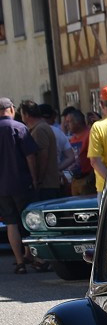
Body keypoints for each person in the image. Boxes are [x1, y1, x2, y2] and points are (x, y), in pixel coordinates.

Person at [0, 96, 39, 274]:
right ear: (12, 109)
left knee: (11, 223)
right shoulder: (19, 127)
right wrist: (34, 177)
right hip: (21, 183)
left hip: (2, 187)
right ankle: (33, 256)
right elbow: (30, 156)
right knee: (29, 221)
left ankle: (19, 262)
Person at [19, 101, 62, 203]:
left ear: (27, 115)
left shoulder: (39, 130)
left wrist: (38, 180)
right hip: (49, 183)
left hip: (46, 184)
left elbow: (43, 156)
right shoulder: (41, 127)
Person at [62, 108, 95, 195]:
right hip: (75, 179)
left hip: (87, 179)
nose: (66, 125)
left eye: (69, 122)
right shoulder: (72, 139)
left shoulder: (90, 135)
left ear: (78, 122)